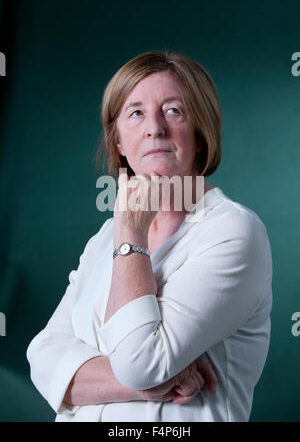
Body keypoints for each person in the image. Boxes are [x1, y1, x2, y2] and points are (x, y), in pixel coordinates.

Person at [26, 51, 272, 422]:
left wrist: (130, 232)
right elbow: (43, 358)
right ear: (120, 142)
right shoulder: (103, 238)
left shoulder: (232, 231)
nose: (154, 128)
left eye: (173, 110)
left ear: (201, 133)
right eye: (136, 113)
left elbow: (141, 362)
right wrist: (144, 383)